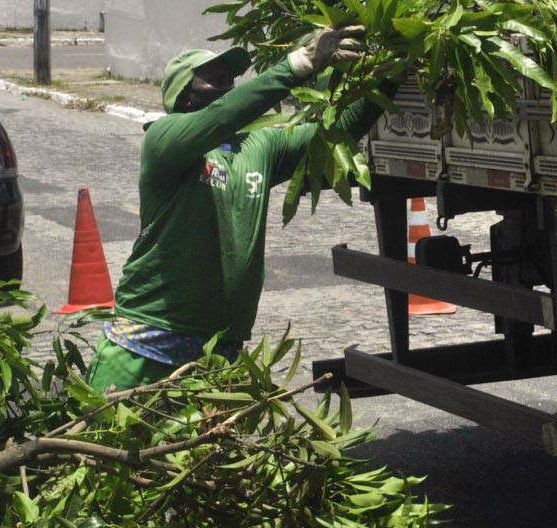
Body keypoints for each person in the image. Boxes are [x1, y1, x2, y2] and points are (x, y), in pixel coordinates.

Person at [89, 26, 383, 392]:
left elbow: (336, 133)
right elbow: (225, 115)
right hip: (146, 343)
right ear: (185, 95)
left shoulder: (259, 147)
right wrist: (298, 65)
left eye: (231, 79)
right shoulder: (163, 140)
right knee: (100, 443)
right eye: (214, 79)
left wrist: (388, 72)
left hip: (220, 350)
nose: (227, 87)